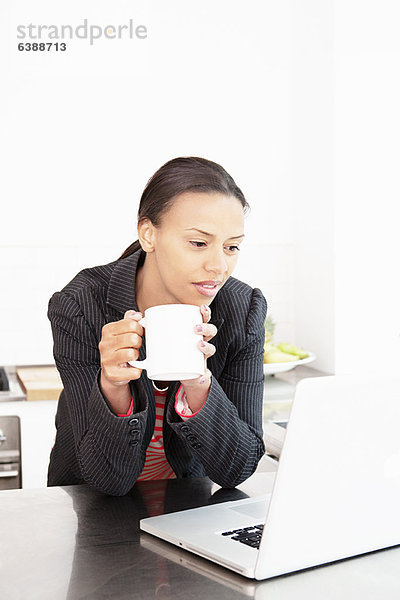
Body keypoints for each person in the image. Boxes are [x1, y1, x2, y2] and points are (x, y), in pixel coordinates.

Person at [47, 157, 267, 496]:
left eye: (232, 247)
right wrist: (113, 386)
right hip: (91, 512)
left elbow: (237, 469)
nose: (219, 266)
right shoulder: (81, 304)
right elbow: (108, 481)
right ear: (148, 234)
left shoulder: (243, 309)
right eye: (198, 243)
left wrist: (199, 384)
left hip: (184, 510)